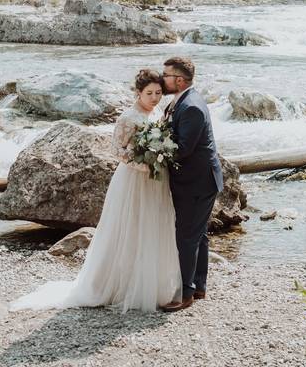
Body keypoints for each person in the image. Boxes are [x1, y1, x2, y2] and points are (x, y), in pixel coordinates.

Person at [9, 69, 181, 313]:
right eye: (149, 93)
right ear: (138, 92)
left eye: (158, 93)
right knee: (128, 228)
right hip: (134, 180)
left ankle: (151, 283)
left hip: (156, 181)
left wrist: (161, 157)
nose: (154, 98)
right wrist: (145, 164)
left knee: (153, 227)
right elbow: (118, 151)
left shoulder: (157, 113)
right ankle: (118, 285)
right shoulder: (128, 117)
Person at [159, 56, 223, 312]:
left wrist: (154, 152)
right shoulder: (182, 101)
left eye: (166, 75)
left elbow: (183, 149)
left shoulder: (192, 107)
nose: (163, 79)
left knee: (186, 236)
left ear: (180, 79)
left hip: (197, 182)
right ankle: (199, 286)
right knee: (198, 236)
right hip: (198, 179)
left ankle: (185, 294)